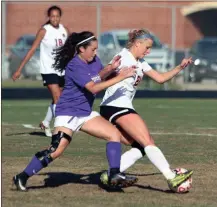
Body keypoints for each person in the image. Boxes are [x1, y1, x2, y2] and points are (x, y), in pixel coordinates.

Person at [12, 31, 138, 192]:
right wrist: (119, 77)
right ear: (81, 49)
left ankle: (114, 174)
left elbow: (97, 77)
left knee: (113, 134)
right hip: (68, 113)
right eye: (93, 49)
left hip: (85, 113)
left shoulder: (93, 60)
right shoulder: (74, 65)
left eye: (96, 49)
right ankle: (22, 176)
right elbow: (93, 87)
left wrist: (111, 69)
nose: (95, 52)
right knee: (56, 150)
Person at [99, 28, 193, 189]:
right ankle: (171, 177)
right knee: (148, 141)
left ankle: (111, 174)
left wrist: (180, 67)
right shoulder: (123, 57)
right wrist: (110, 71)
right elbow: (101, 75)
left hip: (116, 107)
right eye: (147, 47)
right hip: (116, 105)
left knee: (141, 146)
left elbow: (161, 79)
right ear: (137, 43)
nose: (148, 51)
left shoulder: (140, 63)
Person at [12, 5, 70, 137]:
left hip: (62, 69)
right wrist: (19, 69)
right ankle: (59, 130)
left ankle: (45, 122)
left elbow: (70, 48)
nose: (55, 19)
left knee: (58, 99)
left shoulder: (64, 30)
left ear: (60, 17)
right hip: (48, 69)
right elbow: (32, 50)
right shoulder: (44, 31)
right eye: (52, 16)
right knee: (58, 99)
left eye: (57, 16)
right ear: (49, 17)